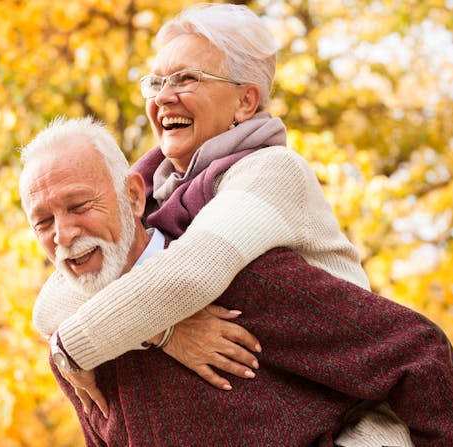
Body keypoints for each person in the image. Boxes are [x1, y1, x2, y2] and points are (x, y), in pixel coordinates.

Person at [31, 3, 417, 444]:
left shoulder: (272, 172)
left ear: (245, 101)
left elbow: (190, 276)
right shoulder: (157, 191)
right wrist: (165, 331)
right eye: (155, 82)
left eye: (186, 79)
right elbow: (51, 303)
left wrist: (70, 350)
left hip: (350, 419)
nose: (162, 96)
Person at [19, 116, 453, 445]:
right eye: (42, 222)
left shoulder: (248, 280)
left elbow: (419, 354)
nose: (63, 234)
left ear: (134, 196)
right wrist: (163, 332)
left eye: (79, 206)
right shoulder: (75, 352)